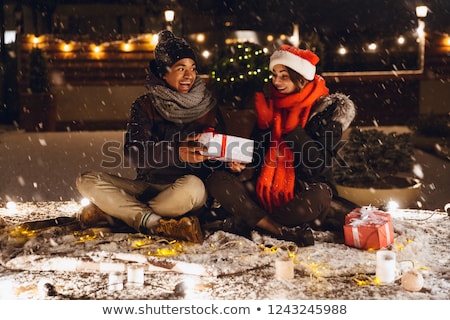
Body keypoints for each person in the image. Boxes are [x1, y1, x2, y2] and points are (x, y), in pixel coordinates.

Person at [75, 30, 223, 243]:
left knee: (193, 187)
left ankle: (121, 213)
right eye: (181, 68)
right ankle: (153, 221)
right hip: (147, 186)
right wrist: (177, 152)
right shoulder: (145, 105)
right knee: (87, 180)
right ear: (163, 73)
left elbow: (221, 150)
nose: (189, 76)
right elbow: (135, 153)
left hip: (185, 190)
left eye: (193, 68)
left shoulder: (208, 107)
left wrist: (231, 160)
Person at [205, 44, 356, 247]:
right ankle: (277, 228)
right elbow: (258, 157)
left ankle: (254, 220)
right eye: (274, 74)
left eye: (283, 75)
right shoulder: (272, 105)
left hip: (303, 191)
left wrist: (293, 131)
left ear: (300, 78)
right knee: (217, 180)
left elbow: (318, 165)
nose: (276, 81)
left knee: (319, 195)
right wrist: (242, 160)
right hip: (264, 192)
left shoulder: (328, 111)